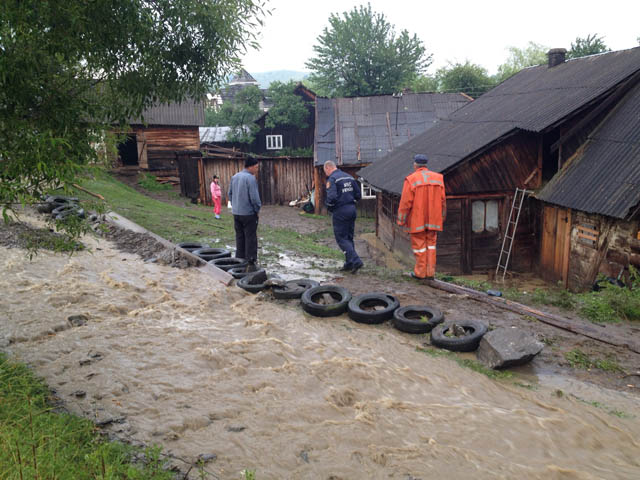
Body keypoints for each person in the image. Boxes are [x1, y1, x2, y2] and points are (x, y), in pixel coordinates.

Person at [397, 154, 446, 280]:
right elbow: (443, 201)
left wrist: (401, 220)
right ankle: (430, 273)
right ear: (426, 164)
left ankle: (420, 273)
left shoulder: (411, 179)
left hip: (417, 220)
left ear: (415, 165)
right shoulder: (438, 178)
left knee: (420, 248)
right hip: (434, 220)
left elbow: (405, 203)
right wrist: (441, 217)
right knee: (431, 246)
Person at [323, 160, 363, 273]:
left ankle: (356, 261)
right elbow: (358, 195)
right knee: (349, 237)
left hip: (340, 211)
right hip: (352, 209)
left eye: (325, 171)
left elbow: (332, 197)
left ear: (328, 168)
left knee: (341, 238)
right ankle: (349, 263)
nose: (326, 174)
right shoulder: (349, 177)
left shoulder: (332, 179)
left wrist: (330, 207)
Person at [228, 156, 261, 270]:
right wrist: (257, 209)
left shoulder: (235, 177)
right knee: (250, 237)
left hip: (236, 213)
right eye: (256, 167)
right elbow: (254, 198)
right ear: (250, 167)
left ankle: (239, 259)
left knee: (240, 237)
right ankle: (250, 262)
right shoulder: (250, 178)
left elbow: (230, 194)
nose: (257, 170)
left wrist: (235, 206)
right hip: (248, 213)